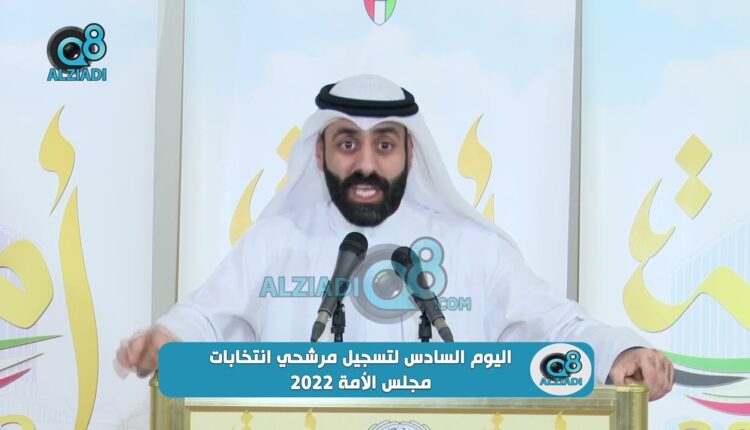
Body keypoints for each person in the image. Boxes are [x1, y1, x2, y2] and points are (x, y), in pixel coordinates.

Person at [116, 74, 674, 400]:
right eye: (347, 144)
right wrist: (167, 336)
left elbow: (562, 327)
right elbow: (206, 319)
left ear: (410, 152)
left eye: (384, 145)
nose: (365, 165)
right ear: (319, 152)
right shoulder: (275, 243)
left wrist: (621, 350)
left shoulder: (474, 250)